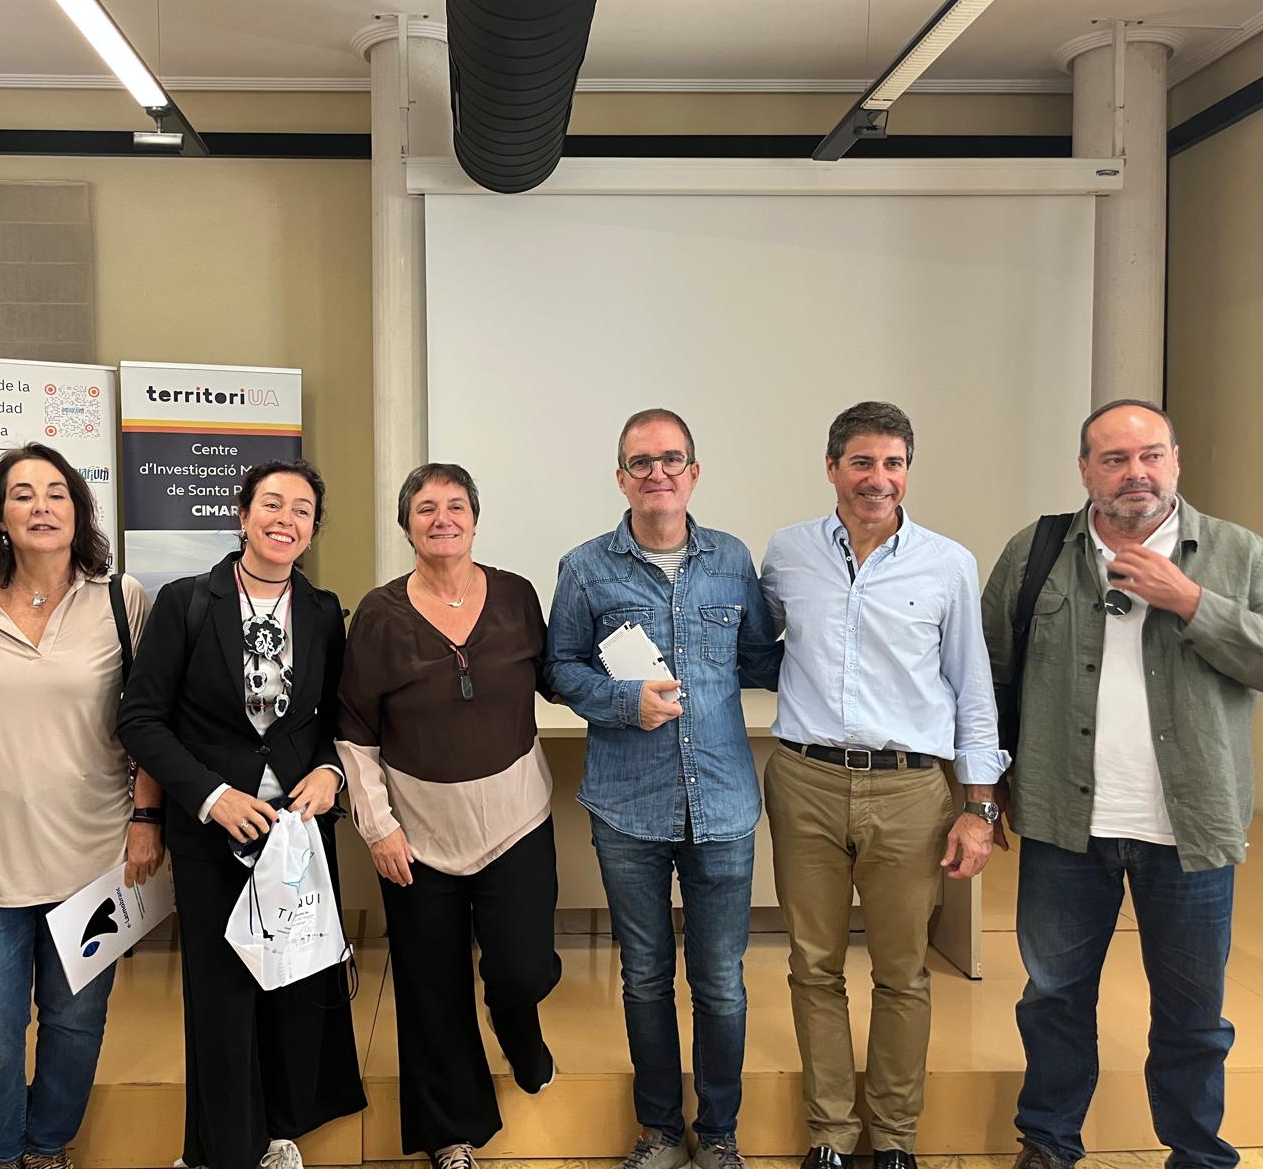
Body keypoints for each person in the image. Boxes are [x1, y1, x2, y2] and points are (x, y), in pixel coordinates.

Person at [982, 399, 1263, 1169]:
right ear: (1084, 469)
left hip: (1189, 831)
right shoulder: (1036, 553)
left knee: (1193, 1015)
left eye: (1152, 455)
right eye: (1116, 459)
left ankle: (1196, 1154)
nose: (1138, 473)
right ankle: (1048, 1142)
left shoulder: (1237, 555)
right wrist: (983, 793)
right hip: (1064, 824)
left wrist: (1191, 601)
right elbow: (987, 677)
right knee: (1053, 998)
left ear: (1176, 461)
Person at [758, 401, 1008, 1169]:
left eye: (893, 463)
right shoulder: (788, 553)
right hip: (805, 780)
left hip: (909, 792)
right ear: (832, 468)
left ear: (907, 471)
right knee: (814, 967)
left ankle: (895, 1138)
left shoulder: (948, 563)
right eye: (862, 462)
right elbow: (753, 647)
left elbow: (972, 688)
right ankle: (830, 1136)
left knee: (902, 973)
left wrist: (980, 806)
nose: (879, 478)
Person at [545, 408, 781, 1169]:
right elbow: (558, 668)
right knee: (645, 977)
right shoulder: (586, 567)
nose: (658, 473)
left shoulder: (732, 559)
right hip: (627, 808)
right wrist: (624, 703)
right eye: (641, 462)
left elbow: (759, 658)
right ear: (621, 478)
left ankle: (719, 1136)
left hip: (723, 803)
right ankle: (659, 1132)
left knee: (721, 983)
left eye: (671, 459)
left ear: (694, 473)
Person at [118, 460, 365, 1169]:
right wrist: (210, 796)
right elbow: (141, 720)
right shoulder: (187, 602)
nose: (286, 519)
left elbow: (337, 720)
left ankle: (282, 1133)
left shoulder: (323, 611)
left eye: (302, 510)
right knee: (222, 995)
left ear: (314, 528)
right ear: (243, 514)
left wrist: (330, 772)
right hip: (215, 832)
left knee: (295, 985)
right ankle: (223, 1149)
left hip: (296, 833)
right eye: (272, 504)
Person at [0, 444, 155, 1169]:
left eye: (57, 493)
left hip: (93, 853)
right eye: (22, 494)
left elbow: (151, 720)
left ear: (79, 512)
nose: (41, 506)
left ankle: (48, 1148)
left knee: (76, 1022)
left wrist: (147, 819)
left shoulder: (121, 599)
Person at [339, 463, 560, 1169]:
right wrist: (378, 826)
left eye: (456, 505)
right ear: (406, 525)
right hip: (417, 833)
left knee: (522, 967)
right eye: (426, 507)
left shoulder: (517, 596)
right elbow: (353, 732)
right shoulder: (378, 615)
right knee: (429, 985)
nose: (442, 518)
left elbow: (560, 677)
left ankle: (516, 1025)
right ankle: (449, 1132)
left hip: (516, 821)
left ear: (475, 518)